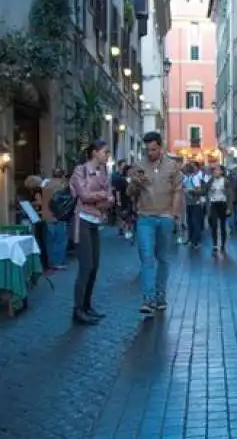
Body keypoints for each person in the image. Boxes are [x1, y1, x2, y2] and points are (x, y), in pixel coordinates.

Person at [127, 131, 182, 316]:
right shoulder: (139, 166)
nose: (150, 153)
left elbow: (178, 191)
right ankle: (148, 299)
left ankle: (160, 295)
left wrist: (174, 214)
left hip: (165, 217)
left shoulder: (172, 166)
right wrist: (135, 183)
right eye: (147, 149)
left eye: (153, 149)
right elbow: (129, 192)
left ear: (160, 147)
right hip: (145, 217)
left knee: (163, 258)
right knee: (146, 257)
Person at [69, 140, 114, 325]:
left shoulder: (104, 172)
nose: (107, 155)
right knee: (85, 267)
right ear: (94, 152)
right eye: (105, 152)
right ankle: (78, 310)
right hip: (83, 222)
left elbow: (111, 199)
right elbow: (84, 195)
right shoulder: (81, 170)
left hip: (95, 222)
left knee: (94, 267)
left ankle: (87, 306)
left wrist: (103, 198)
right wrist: (103, 196)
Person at [41, 169, 69, 270]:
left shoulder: (45, 185)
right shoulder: (61, 186)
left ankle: (51, 262)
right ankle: (58, 262)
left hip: (46, 216)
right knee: (60, 240)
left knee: (50, 240)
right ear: (62, 176)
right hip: (57, 217)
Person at [203, 165, 234, 256]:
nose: (215, 172)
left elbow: (230, 195)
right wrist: (193, 192)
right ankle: (215, 245)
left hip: (222, 204)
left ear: (221, 172)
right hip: (214, 204)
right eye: (214, 171)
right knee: (214, 224)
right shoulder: (211, 180)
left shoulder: (225, 181)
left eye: (217, 170)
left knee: (223, 226)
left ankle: (223, 244)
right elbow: (204, 190)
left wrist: (229, 208)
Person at [182, 163, 204, 249]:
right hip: (189, 203)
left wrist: (190, 191)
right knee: (189, 222)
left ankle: (196, 241)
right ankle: (191, 239)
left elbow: (198, 190)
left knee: (195, 223)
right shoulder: (186, 178)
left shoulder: (195, 178)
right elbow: (183, 186)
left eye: (184, 169)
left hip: (195, 203)